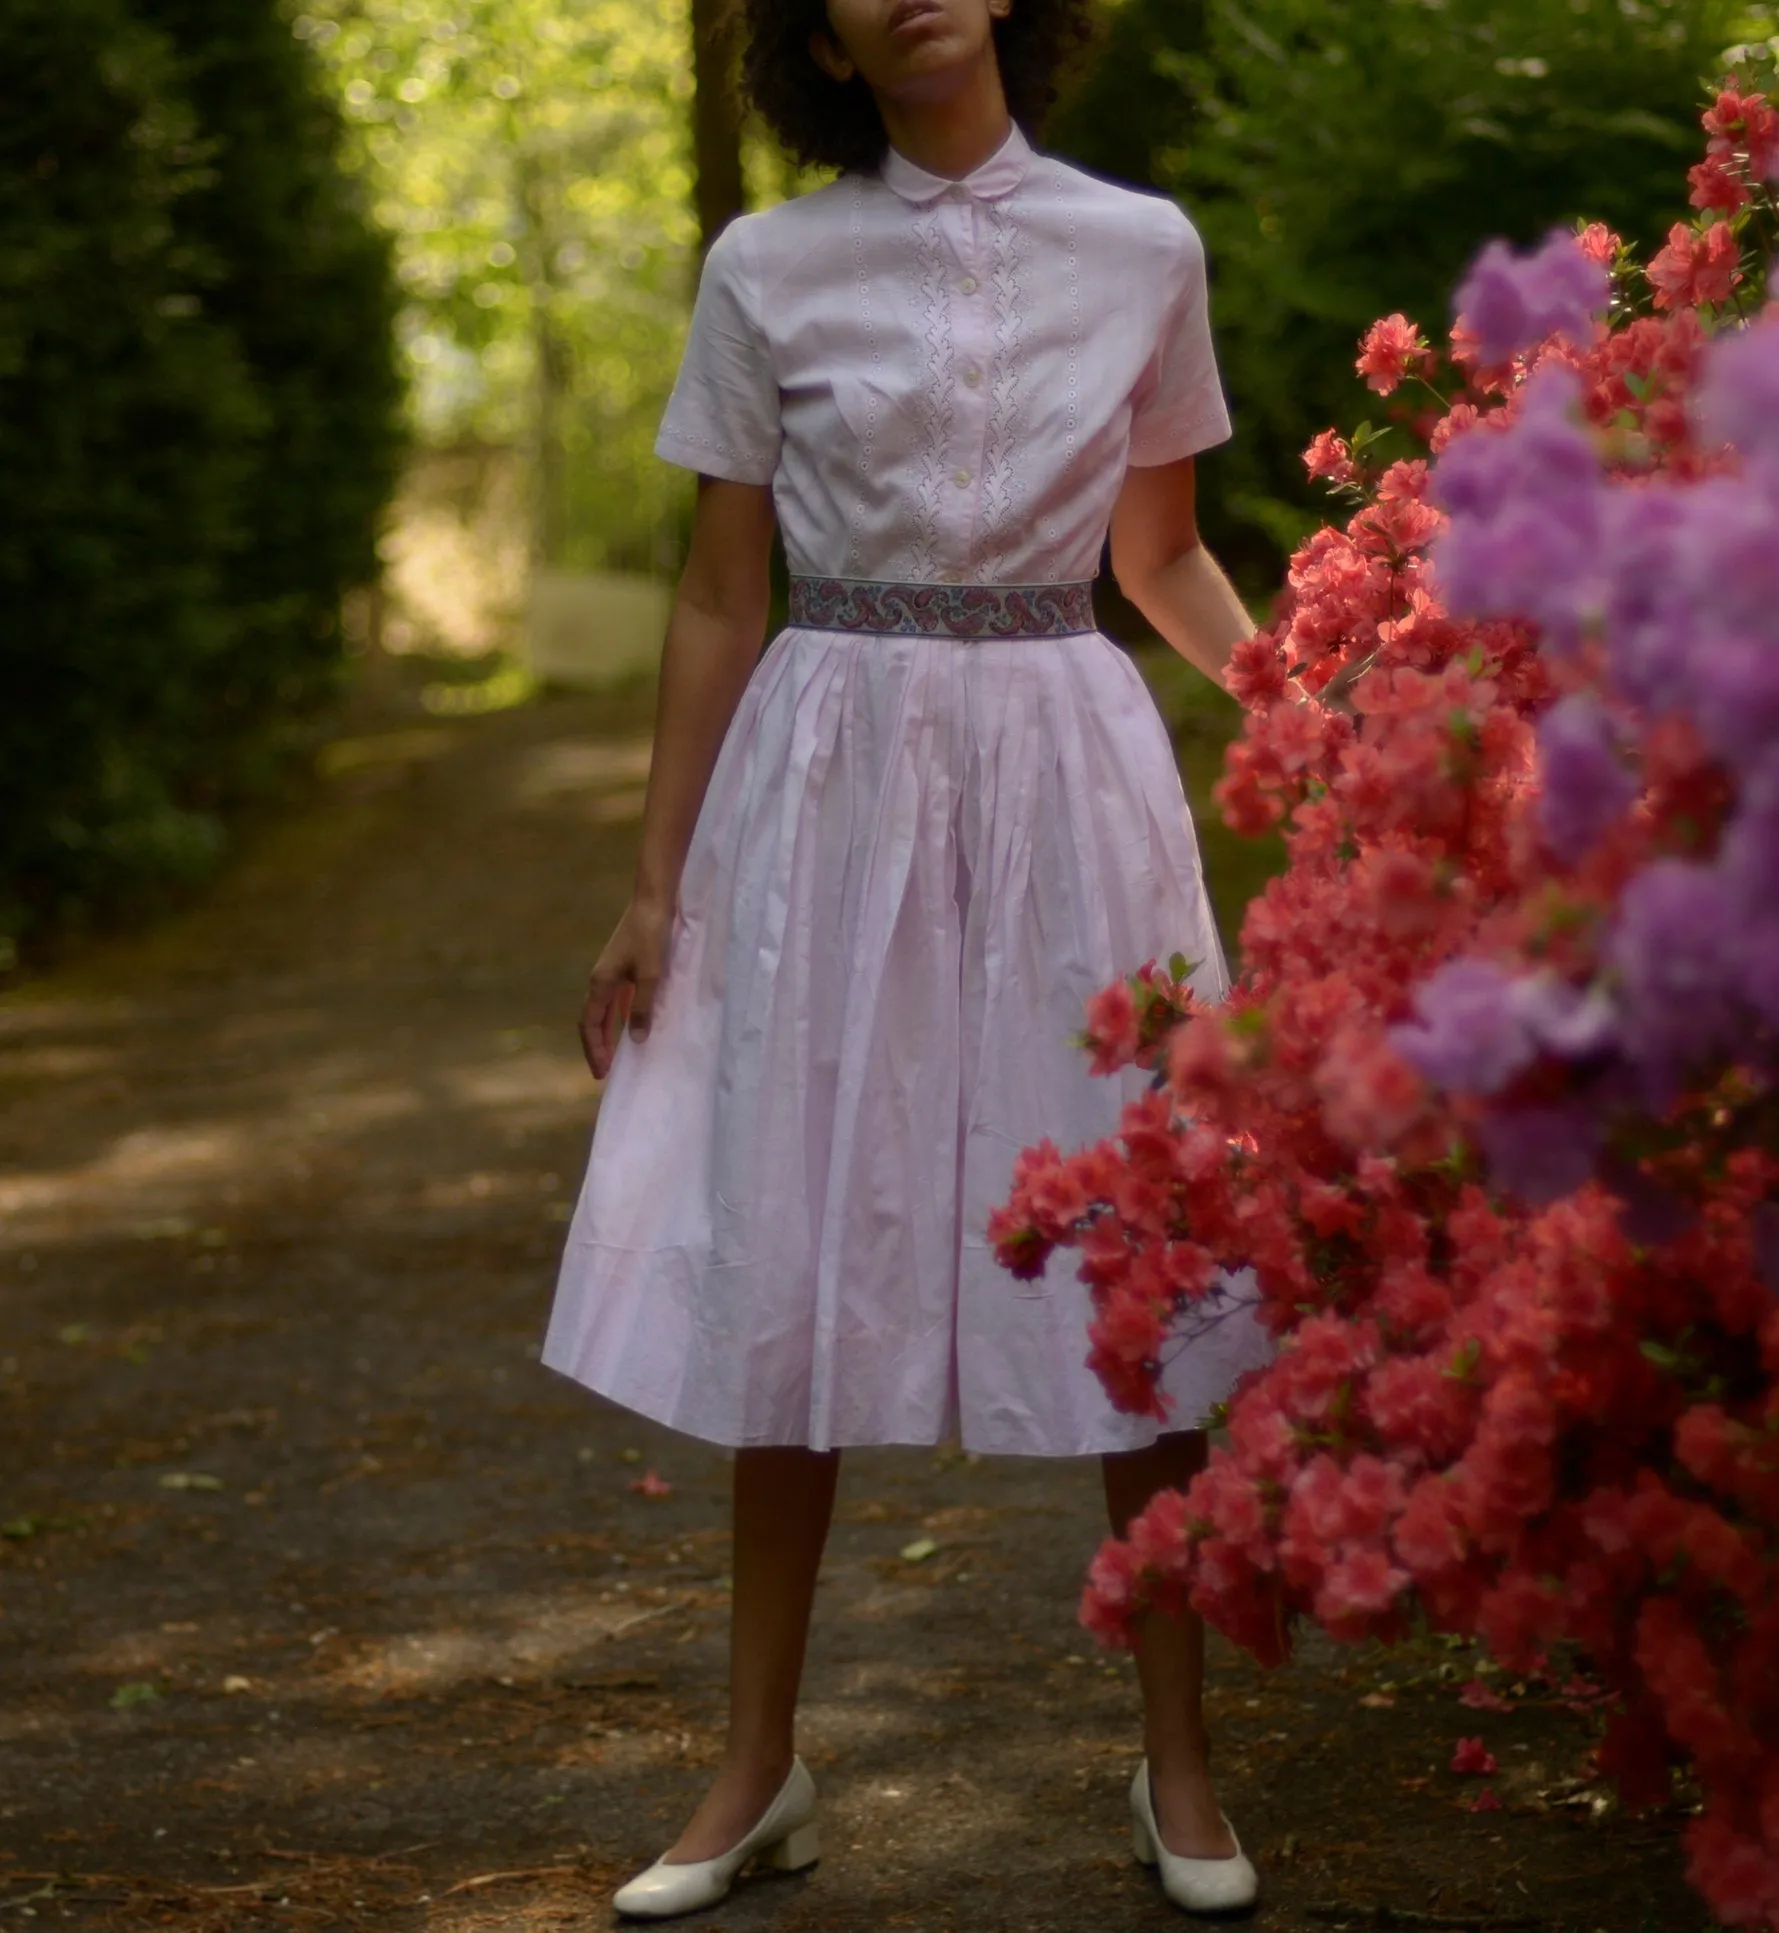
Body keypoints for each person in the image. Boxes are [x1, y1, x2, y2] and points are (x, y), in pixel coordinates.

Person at [540, 0, 1288, 1916]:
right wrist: (654, 880)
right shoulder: (767, 265)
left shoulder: (1144, 248)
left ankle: (1181, 1770)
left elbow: (1161, 556)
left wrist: (1329, 709)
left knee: (1140, 1225)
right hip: (829, 771)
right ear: (824, 42)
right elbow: (721, 589)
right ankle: (753, 1770)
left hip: (1066, 757)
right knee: (793, 1233)